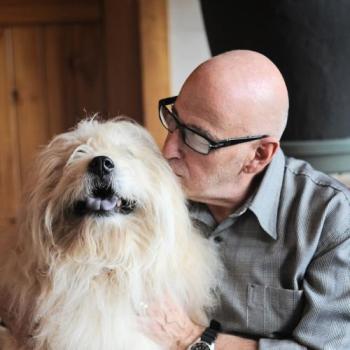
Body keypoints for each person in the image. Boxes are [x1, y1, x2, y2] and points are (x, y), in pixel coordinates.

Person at [142, 50, 350, 350]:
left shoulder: (332, 223)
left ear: (258, 155)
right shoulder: (146, 196)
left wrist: (192, 339)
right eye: (173, 121)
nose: (168, 150)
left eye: (197, 138)